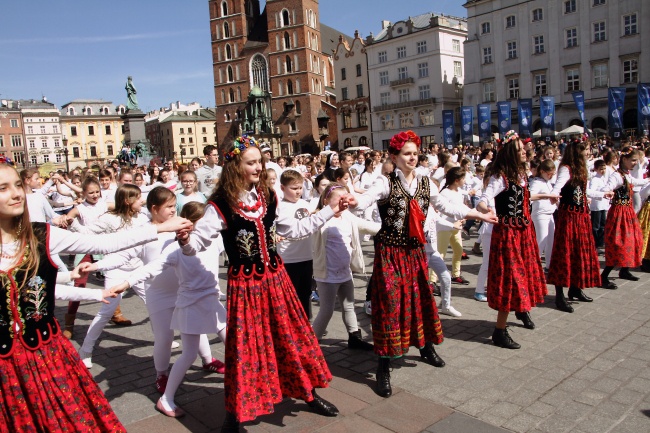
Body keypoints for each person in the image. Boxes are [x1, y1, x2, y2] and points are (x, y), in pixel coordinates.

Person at [0, 158, 190, 432]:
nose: (17, 193)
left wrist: (159, 228)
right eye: (4, 188)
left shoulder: (39, 234)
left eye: (18, 185)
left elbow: (104, 243)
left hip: (45, 355)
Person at [177, 135, 343, 432]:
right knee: (246, 347)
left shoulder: (267, 195)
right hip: (246, 287)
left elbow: (294, 229)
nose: (258, 167)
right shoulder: (220, 205)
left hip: (277, 280)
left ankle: (307, 392)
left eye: (260, 162)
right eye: (251, 162)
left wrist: (330, 210)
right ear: (235, 166)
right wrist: (186, 241)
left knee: (293, 336)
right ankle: (234, 414)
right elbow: (198, 243)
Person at [350, 130, 497, 398]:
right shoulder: (385, 183)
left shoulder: (425, 182)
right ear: (394, 156)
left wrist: (476, 213)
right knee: (390, 305)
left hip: (416, 253)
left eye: (415, 153)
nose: (412, 157)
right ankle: (384, 364)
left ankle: (425, 346)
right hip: (390, 253)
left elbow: (445, 205)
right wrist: (353, 200)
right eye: (406, 153)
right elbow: (365, 199)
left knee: (420, 300)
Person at [109, 202, 228, 418]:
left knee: (234, 344)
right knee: (189, 354)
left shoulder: (216, 240)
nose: (210, 229)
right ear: (188, 225)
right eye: (203, 224)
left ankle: (248, 386)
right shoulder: (176, 249)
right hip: (191, 304)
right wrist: (125, 284)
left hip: (212, 301)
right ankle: (166, 399)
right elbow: (150, 268)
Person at [477, 131, 549, 349]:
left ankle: (522, 309)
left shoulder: (521, 174)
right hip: (508, 233)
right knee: (511, 278)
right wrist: (486, 210)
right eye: (519, 150)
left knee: (525, 272)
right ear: (509, 153)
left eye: (523, 149)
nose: (525, 152)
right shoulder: (500, 177)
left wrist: (546, 196)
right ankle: (499, 330)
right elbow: (484, 199)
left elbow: (524, 197)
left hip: (523, 231)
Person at [547, 139, 612, 312]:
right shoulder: (566, 169)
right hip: (569, 217)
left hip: (581, 217)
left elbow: (585, 192)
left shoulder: (581, 169)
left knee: (579, 252)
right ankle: (560, 296)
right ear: (578, 151)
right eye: (586, 150)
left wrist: (602, 194)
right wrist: (553, 195)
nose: (588, 152)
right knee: (565, 253)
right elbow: (558, 187)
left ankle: (575, 288)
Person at [311, 182, 378, 348]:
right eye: (340, 200)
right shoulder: (319, 218)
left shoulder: (348, 216)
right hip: (327, 274)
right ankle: (311, 344)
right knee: (326, 310)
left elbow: (370, 227)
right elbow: (303, 228)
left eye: (346, 200)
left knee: (348, 306)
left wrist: (392, 229)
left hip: (345, 272)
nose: (344, 203)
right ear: (326, 201)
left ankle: (354, 338)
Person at [601, 147, 650, 285]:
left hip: (626, 212)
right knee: (619, 243)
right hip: (619, 213)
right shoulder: (617, 176)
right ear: (624, 159)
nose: (635, 163)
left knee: (634, 240)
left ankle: (624, 270)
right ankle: (604, 276)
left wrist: (648, 180)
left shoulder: (625, 174)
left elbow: (635, 181)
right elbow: (606, 187)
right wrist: (608, 192)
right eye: (633, 160)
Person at [529, 159, 557, 274]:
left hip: (549, 213)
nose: (550, 176)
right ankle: (532, 267)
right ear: (542, 171)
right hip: (540, 214)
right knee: (541, 241)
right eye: (549, 174)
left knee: (550, 241)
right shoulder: (536, 182)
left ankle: (549, 266)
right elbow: (530, 196)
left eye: (552, 174)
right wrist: (545, 196)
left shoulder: (546, 182)